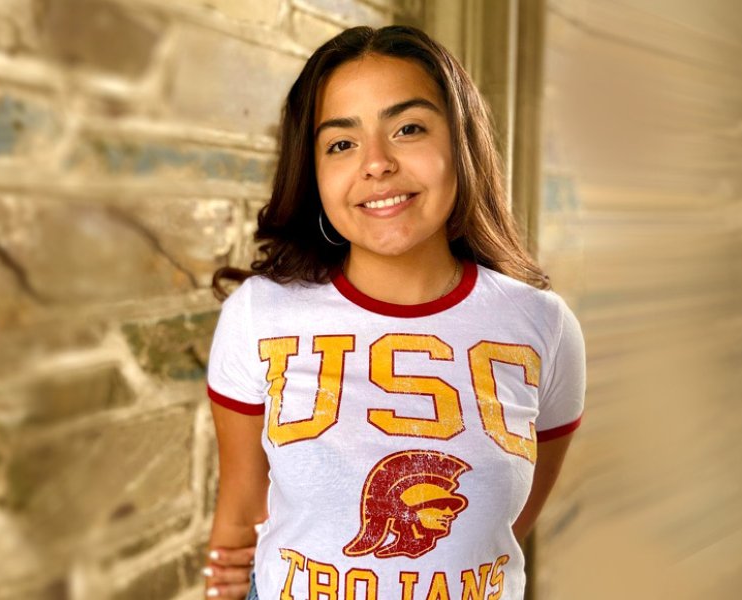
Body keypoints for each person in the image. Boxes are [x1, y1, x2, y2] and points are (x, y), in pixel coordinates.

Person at [202, 25, 586, 600]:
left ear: (460, 144)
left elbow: (498, 526)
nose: (376, 163)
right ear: (314, 174)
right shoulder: (260, 316)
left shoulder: (543, 326)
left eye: (408, 128)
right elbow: (238, 515)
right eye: (341, 143)